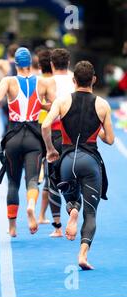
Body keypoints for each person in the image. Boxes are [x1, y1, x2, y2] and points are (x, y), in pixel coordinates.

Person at [42, 61, 114, 270]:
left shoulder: (62, 101)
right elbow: (109, 139)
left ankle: (72, 209)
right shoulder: (102, 105)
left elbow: (46, 125)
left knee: (72, 199)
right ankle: (82, 255)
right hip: (90, 161)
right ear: (94, 80)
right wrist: (98, 128)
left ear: (74, 81)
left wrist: (50, 150)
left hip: (66, 161)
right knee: (90, 214)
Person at [0, 47, 56, 237]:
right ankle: (30, 206)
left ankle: (12, 227)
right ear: (31, 63)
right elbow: (55, 105)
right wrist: (41, 104)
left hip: (13, 135)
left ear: (16, 64)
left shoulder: (9, 81)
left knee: (12, 183)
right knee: (33, 179)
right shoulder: (43, 82)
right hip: (34, 138)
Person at [42, 48, 75, 237]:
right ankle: (74, 209)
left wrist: (48, 105)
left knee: (53, 179)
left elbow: (43, 104)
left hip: (55, 130)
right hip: (75, 133)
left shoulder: (48, 81)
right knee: (74, 176)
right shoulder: (75, 78)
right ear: (68, 63)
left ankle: (57, 226)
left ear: (52, 65)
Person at [36, 49, 53, 226]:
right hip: (53, 127)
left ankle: (40, 215)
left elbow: (36, 103)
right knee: (51, 176)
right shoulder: (56, 82)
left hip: (39, 125)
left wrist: (45, 106)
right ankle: (43, 215)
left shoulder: (38, 81)